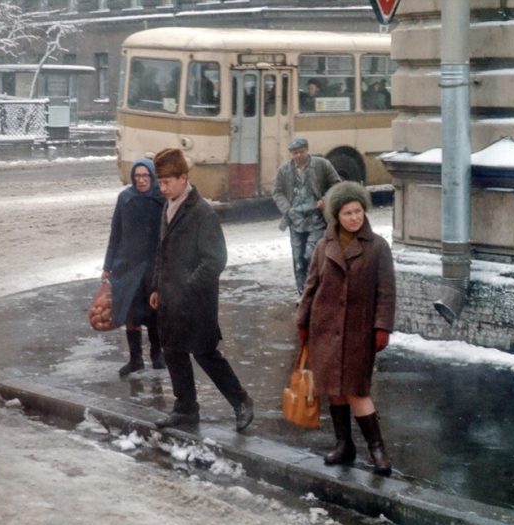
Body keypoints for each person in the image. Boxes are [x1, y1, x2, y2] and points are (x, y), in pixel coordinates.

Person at [149, 148, 254, 432]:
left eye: (167, 182)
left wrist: (189, 286)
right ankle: (185, 409)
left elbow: (216, 259)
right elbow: (162, 251)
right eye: (160, 182)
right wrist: (157, 286)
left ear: (183, 178)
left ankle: (241, 401)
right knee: (173, 352)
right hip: (170, 298)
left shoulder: (202, 212)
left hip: (196, 301)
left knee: (205, 353)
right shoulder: (168, 206)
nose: (162, 188)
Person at [296, 181, 396, 476]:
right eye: (347, 213)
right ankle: (344, 445)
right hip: (325, 328)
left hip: (358, 331)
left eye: (358, 211)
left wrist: (382, 327)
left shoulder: (377, 247)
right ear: (336, 216)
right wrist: (302, 321)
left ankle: (377, 449)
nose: (354, 218)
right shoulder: (323, 246)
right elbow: (311, 287)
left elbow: (386, 292)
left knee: (357, 391)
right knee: (334, 390)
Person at [102, 158, 166, 375]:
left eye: (145, 175)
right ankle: (135, 359)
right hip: (128, 266)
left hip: (153, 266)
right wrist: (107, 266)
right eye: (137, 176)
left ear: (152, 176)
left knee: (154, 312)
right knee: (131, 313)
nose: (141, 180)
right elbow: (116, 233)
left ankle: (157, 355)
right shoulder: (125, 198)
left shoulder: (161, 199)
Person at [271, 137, 341, 295]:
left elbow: (336, 184)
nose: (298, 155)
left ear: (307, 150)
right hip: (295, 220)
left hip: (316, 219)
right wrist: (287, 209)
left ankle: (314, 291)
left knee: (311, 255)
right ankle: (302, 294)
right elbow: (277, 191)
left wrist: (325, 200)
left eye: (301, 152)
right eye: (294, 153)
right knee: (298, 260)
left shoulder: (322, 165)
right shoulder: (284, 170)